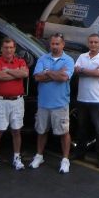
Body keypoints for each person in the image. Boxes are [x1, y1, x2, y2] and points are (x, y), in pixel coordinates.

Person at [31, 33, 74, 173]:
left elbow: (64, 78)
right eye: (52, 44)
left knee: (64, 133)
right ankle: (39, 156)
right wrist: (55, 73)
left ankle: (65, 160)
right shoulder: (43, 58)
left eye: (57, 44)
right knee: (41, 131)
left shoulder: (68, 60)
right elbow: (37, 77)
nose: (54, 46)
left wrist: (47, 72)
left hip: (60, 104)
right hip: (43, 103)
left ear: (63, 44)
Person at [0, 37, 29, 173]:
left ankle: (17, 158)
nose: (8, 50)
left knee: (17, 131)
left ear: (14, 48)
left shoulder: (20, 61)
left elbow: (24, 73)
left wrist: (7, 70)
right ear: (1, 48)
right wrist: (15, 73)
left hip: (17, 101)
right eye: (6, 47)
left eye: (11, 47)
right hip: (0, 102)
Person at [74, 33, 99, 168]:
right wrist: (90, 70)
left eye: (96, 42)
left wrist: (83, 70)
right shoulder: (82, 56)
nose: (93, 45)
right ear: (88, 43)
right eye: (91, 42)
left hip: (97, 100)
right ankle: (80, 153)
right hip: (82, 99)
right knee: (81, 128)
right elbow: (76, 71)